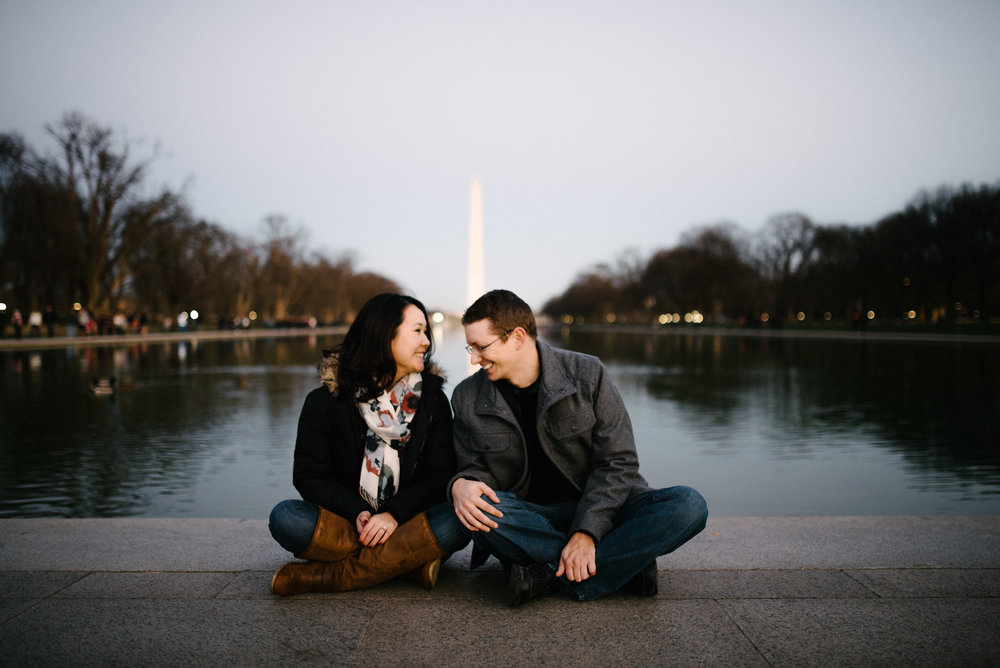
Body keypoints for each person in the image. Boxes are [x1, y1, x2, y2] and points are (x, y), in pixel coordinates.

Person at [449, 289, 708, 606]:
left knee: (689, 505)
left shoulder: (588, 374)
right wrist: (463, 484)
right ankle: (623, 565)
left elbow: (619, 462)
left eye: (480, 347)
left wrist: (587, 531)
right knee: (476, 514)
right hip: (531, 517)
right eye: (470, 347)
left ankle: (544, 576)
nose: (474, 359)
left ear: (517, 337)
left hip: (603, 507)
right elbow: (474, 468)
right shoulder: (465, 396)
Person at [268, 293, 468, 595]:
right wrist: (359, 512)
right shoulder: (324, 402)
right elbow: (309, 476)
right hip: (350, 521)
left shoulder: (432, 399)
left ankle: (329, 576)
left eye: (426, 331)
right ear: (383, 335)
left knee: (460, 519)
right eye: (417, 331)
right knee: (285, 518)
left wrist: (393, 514)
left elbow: (441, 474)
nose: (427, 341)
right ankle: (407, 563)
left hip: (408, 519)